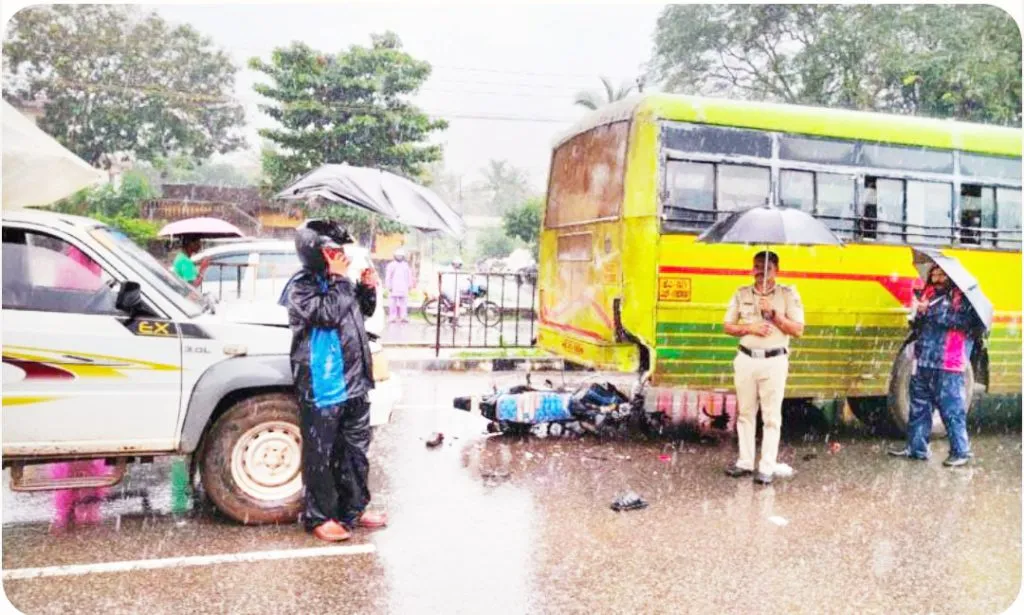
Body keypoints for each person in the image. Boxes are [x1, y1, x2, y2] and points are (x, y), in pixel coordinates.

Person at [286, 219, 387, 542]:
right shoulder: (301, 286)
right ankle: (319, 516)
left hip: (355, 382)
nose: (340, 257)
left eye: (340, 251)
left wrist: (366, 288)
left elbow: (362, 312)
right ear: (315, 253)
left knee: (355, 452)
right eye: (332, 252)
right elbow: (327, 315)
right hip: (324, 384)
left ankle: (353, 510)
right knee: (322, 454)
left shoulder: (341, 281)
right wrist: (342, 282)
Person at [722, 251, 805, 485]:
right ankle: (745, 462)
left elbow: (798, 330)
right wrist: (751, 327)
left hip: (774, 361)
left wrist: (774, 315)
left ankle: (767, 466)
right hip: (746, 359)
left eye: (766, 268)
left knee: (771, 417)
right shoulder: (741, 293)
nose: (761, 271)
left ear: (776, 270)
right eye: (757, 267)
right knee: (745, 413)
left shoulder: (788, 294)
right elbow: (727, 326)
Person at [888, 264, 981, 467]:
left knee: (951, 408)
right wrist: (917, 316)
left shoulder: (962, 299)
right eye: (934, 274)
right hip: (924, 359)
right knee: (919, 406)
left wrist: (930, 311)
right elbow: (922, 324)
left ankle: (960, 451)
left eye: (941, 275)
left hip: (949, 362)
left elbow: (964, 322)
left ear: (950, 277)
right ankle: (917, 447)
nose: (937, 278)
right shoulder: (928, 295)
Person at [384, 248, 414, 323]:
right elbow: (388, 276)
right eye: (398, 256)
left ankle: (403, 317)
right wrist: (388, 286)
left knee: (404, 303)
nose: (399, 257)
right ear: (395, 256)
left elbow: (409, 276)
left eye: (401, 256)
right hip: (393, 287)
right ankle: (392, 317)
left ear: (403, 257)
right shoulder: (391, 265)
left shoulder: (406, 265)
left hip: (403, 287)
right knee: (392, 303)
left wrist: (410, 285)